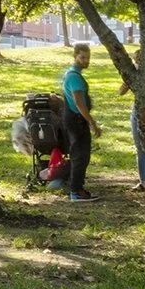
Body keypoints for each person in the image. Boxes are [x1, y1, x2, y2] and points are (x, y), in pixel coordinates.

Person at [60, 44, 99, 201]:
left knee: (80, 154)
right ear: (75, 56)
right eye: (82, 57)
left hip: (74, 118)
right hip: (76, 119)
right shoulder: (74, 76)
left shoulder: (72, 74)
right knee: (80, 155)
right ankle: (76, 191)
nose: (86, 61)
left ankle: (76, 187)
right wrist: (91, 122)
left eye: (88, 58)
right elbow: (78, 102)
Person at [117, 66, 145, 190]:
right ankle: (143, 181)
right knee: (140, 148)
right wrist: (128, 81)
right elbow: (120, 92)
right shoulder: (134, 77)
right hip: (137, 111)